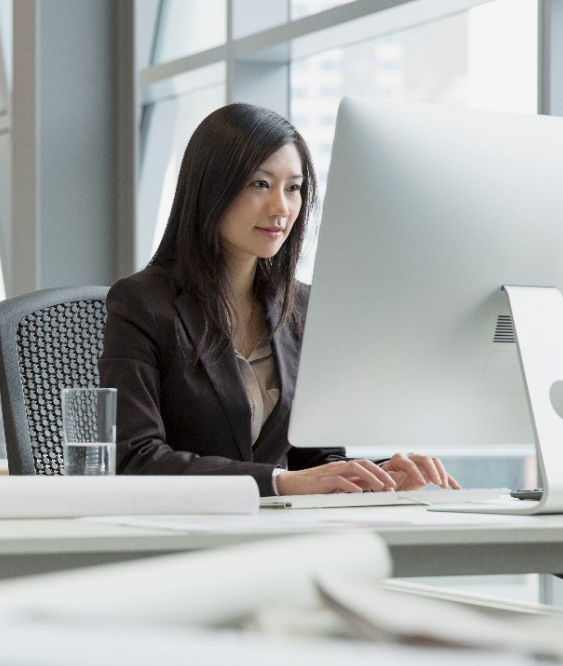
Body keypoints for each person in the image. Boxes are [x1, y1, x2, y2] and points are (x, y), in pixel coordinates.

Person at [99, 103, 461, 497]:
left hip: (278, 538)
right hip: (181, 537)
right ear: (211, 188)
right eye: (260, 184)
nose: (281, 209)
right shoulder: (141, 303)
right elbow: (135, 459)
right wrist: (276, 482)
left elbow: (316, 461)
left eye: (293, 188)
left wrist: (376, 476)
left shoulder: (304, 308)